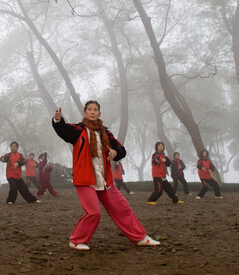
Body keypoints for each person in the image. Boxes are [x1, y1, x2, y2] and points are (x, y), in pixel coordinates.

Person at [52, 100, 160, 250]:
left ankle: (140, 237)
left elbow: (120, 149)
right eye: (89, 109)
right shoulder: (78, 130)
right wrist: (58, 120)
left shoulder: (106, 133)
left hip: (104, 180)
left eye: (95, 109)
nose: (92, 111)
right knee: (94, 212)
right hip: (85, 179)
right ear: (85, 113)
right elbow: (63, 129)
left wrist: (116, 152)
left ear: (99, 113)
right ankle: (76, 240)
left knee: (123, 208)